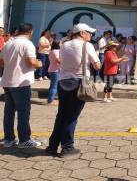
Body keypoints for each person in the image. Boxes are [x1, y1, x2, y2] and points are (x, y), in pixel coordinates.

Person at [46, 23, 101, 157]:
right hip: (78, 82)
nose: (91, 35)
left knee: (62, 114)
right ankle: (67, 147)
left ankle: (52, 146)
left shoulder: (64, 45)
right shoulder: (87, 46)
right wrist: (96, 58)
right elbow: (97, 66)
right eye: (89, 32)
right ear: (82, 33)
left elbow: (61, 61)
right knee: (72, 116)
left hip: (63, 81)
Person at [0, 23, 43, 148]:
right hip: (21, 82)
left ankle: (9, 139)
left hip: (8, 81)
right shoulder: (27, 44)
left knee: (9, 111)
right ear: (30, 32)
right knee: (23, 111)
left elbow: (1, 62)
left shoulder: (8, 43)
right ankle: (24, 139)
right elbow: (31, 61)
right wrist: (39, 64)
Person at [45, 41, 61, 105]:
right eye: (61, 43)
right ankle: (50, 101)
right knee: (54, 86)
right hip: (55, 70)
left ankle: (49, 99)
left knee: (53, 86)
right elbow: (58, 60)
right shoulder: (56, 51)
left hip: (53, 70)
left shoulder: (52, 51)